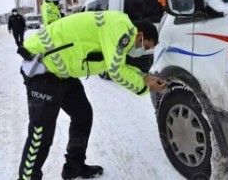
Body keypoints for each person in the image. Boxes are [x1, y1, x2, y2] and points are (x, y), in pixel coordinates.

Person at [16, 11, 167, 180]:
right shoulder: (121, 29)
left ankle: (74, 166)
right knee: (41, 131)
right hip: (43, 66)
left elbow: (120, 64)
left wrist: (145, 77)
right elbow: (116, 71)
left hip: (62, 71)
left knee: (82, 114)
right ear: (140, 35)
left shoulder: (121, 30)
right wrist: (145, 87)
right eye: (145, 46)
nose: (142, 50)